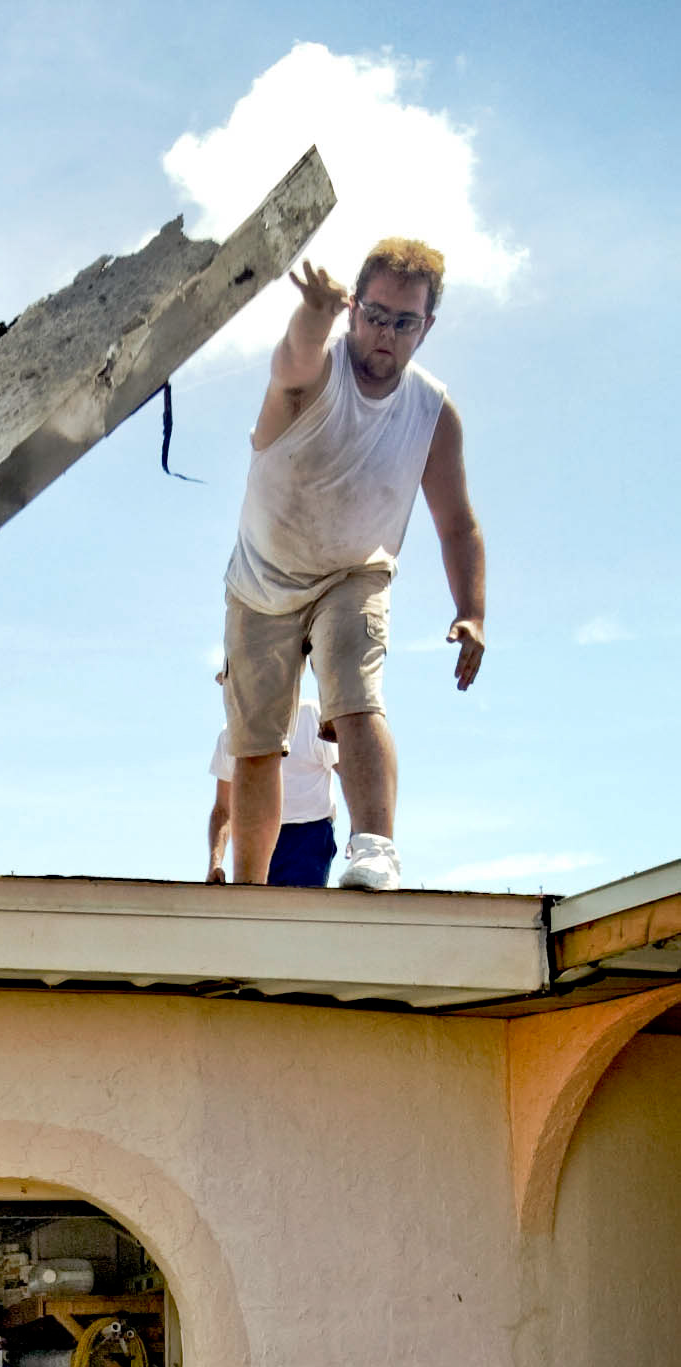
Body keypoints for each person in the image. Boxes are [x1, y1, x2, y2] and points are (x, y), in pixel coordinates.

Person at [221, 238, 485, 892]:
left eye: (404, 322)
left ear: (426, 328)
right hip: (262, 579)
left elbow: (457, 523)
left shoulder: (432, 413)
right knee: (256, 743)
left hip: (354, 571)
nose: (384, 334)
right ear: (352, 312)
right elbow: (293, 358)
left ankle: (374, 850)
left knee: (354, 690)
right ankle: (250, 891)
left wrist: (471, 611)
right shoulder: (316, 373)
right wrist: (311, 313)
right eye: (374, 314)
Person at [207, 691, 338, 887]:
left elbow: (347, 770)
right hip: (254, 836)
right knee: (255, 911)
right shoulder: (229, 736)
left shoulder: (310, 716)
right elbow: (222, 810)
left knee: (298, 911)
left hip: (309, 834)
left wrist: (358, 831)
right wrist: (215, 863)